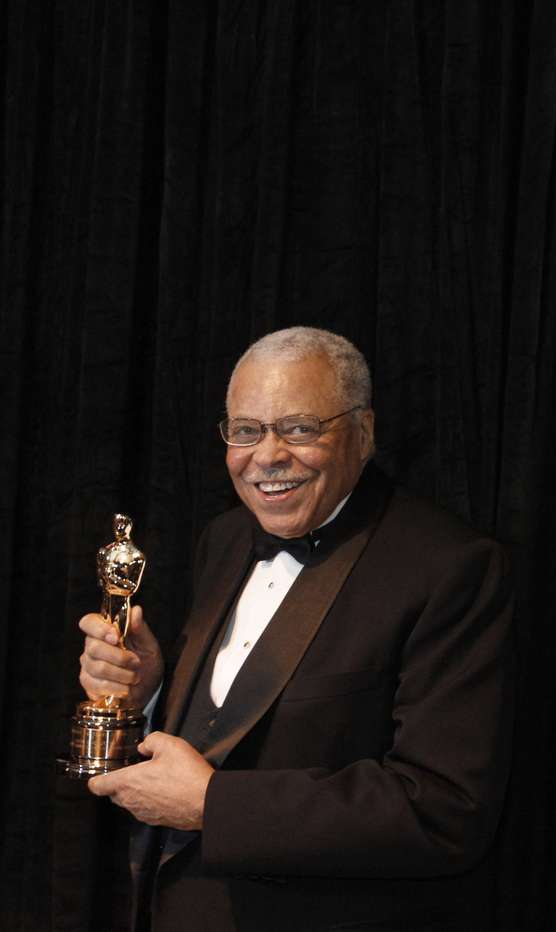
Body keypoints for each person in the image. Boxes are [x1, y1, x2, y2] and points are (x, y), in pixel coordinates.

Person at [78, 327, 515, 930]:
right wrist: (152, 691)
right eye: (247, 429)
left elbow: (444, 809)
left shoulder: (450, 567)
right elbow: (226, 724)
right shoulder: (225, 538)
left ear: (363, 433)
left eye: (301, 428)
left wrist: (214, 805)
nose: (267, 455)